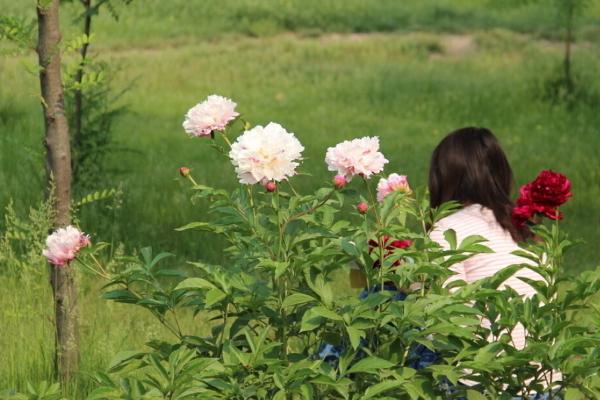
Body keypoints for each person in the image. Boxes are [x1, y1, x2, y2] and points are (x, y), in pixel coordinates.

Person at [428, 127, 558, 399]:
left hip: (485, 384)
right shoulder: (527, 232)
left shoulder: (447, 229)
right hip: (543, 381)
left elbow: (446, 317)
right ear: (502, 174)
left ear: (443, 178)